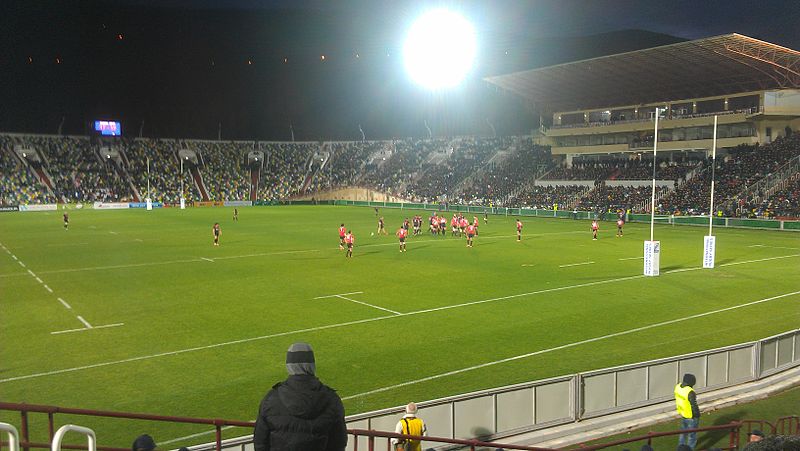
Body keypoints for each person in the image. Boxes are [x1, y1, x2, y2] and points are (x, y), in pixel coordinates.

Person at [253, 342, 347, 451]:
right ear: (312, 365)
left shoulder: (271, 399)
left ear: (289, 366)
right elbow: (338, 443)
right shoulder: (332, 399)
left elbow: (260, 443)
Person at [675, 373, 700, 450]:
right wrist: (697, 414)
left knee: (683, 434)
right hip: (691, 416)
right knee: (692, 436)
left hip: (683, 413)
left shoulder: (678, 387)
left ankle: (680, 448)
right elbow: (693, 405)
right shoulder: (690, 391)